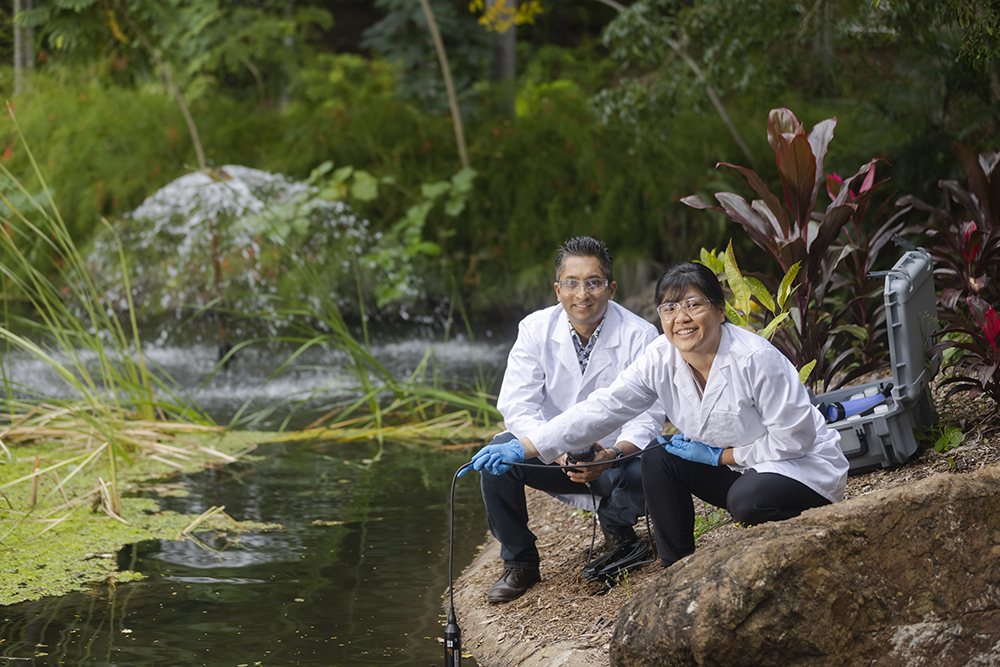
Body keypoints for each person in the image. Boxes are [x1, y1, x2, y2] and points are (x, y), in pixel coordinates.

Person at [469, 261, 848, 568]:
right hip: (741, 467)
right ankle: (676, 564)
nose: (681, 317)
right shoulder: (660, 358)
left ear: (719, 310)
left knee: (747, 500)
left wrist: (721, 457)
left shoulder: (754, 359)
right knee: (659, 456)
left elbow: (796, 439)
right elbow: (603, 407)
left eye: (694, 304)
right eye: (669, 307)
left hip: (800, 466)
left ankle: (800, 533)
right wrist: (529, 445)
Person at [469, 236, 665, 603]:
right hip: (552, 457)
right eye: (572, 283)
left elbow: (650, 414)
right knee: (498, 457)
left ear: (611, 288)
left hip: (615, 460)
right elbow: (517, 406)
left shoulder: (640, 335)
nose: (583, 294)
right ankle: (520, 562)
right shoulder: (534, 329)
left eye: (594, 282)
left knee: (652, 465)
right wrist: (557, 451)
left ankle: (617, 527)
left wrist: (609, 454)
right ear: (557, 289)